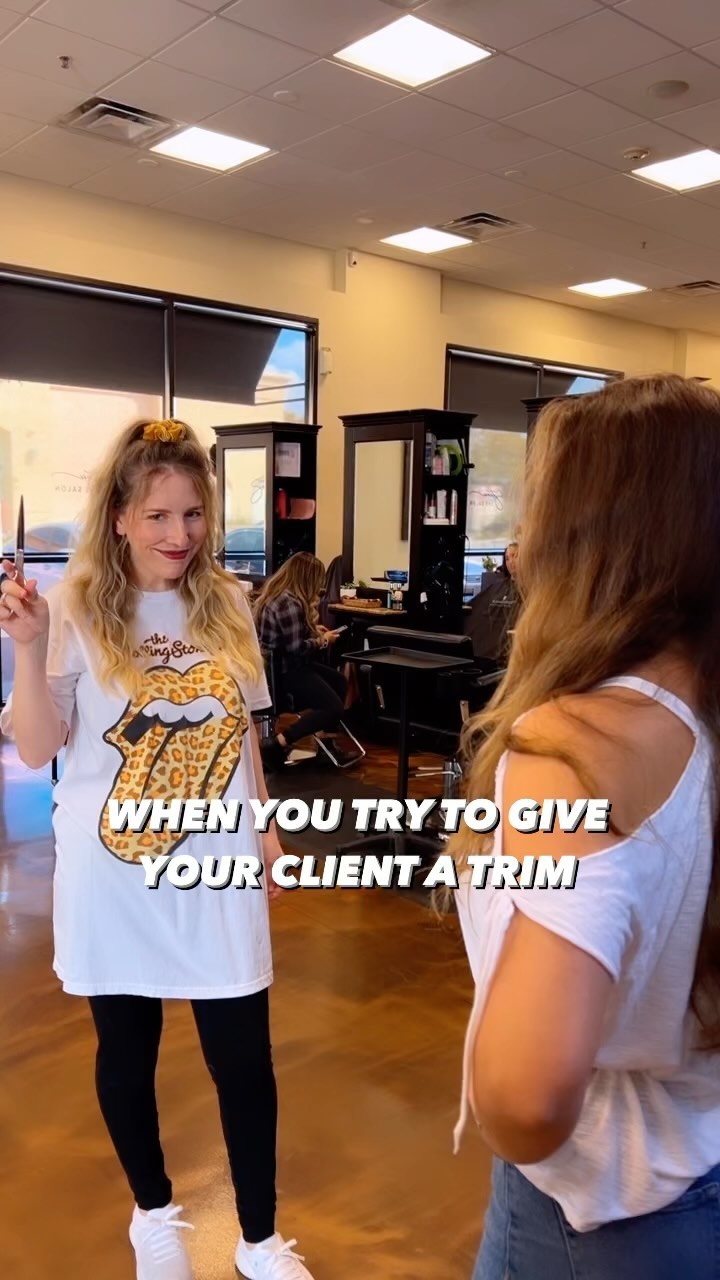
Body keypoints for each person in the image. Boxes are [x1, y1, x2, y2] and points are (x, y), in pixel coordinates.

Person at [0, 418, 315, 1280]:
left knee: (243, 1058)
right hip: (112, 869)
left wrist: (265, 828)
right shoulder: (70, 608)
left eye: (194, 514)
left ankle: (257, 1239)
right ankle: (153, 1215)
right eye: (158, 516)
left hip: (214, 862)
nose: (180, 535)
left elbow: (243, 736)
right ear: (119, 517)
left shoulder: (230, 603)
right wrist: (27, 648)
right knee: (127, 1052)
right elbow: (38, 748)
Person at [451, 375, 720, 1279]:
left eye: (541, 510)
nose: (522, 541)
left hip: (602, 1212)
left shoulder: (572, 747)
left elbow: (526, 1099)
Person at [255, 553, 352, 770]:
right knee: (334, 707)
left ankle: (327, 745)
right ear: (308, 578)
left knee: (338, 681)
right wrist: (323, 640)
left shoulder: (277, 596)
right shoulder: (288, 603)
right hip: (286, 672)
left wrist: (313, 630)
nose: (320, 587)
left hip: (279, 668)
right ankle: (278, 742)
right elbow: (297, 649)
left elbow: (289, 637)